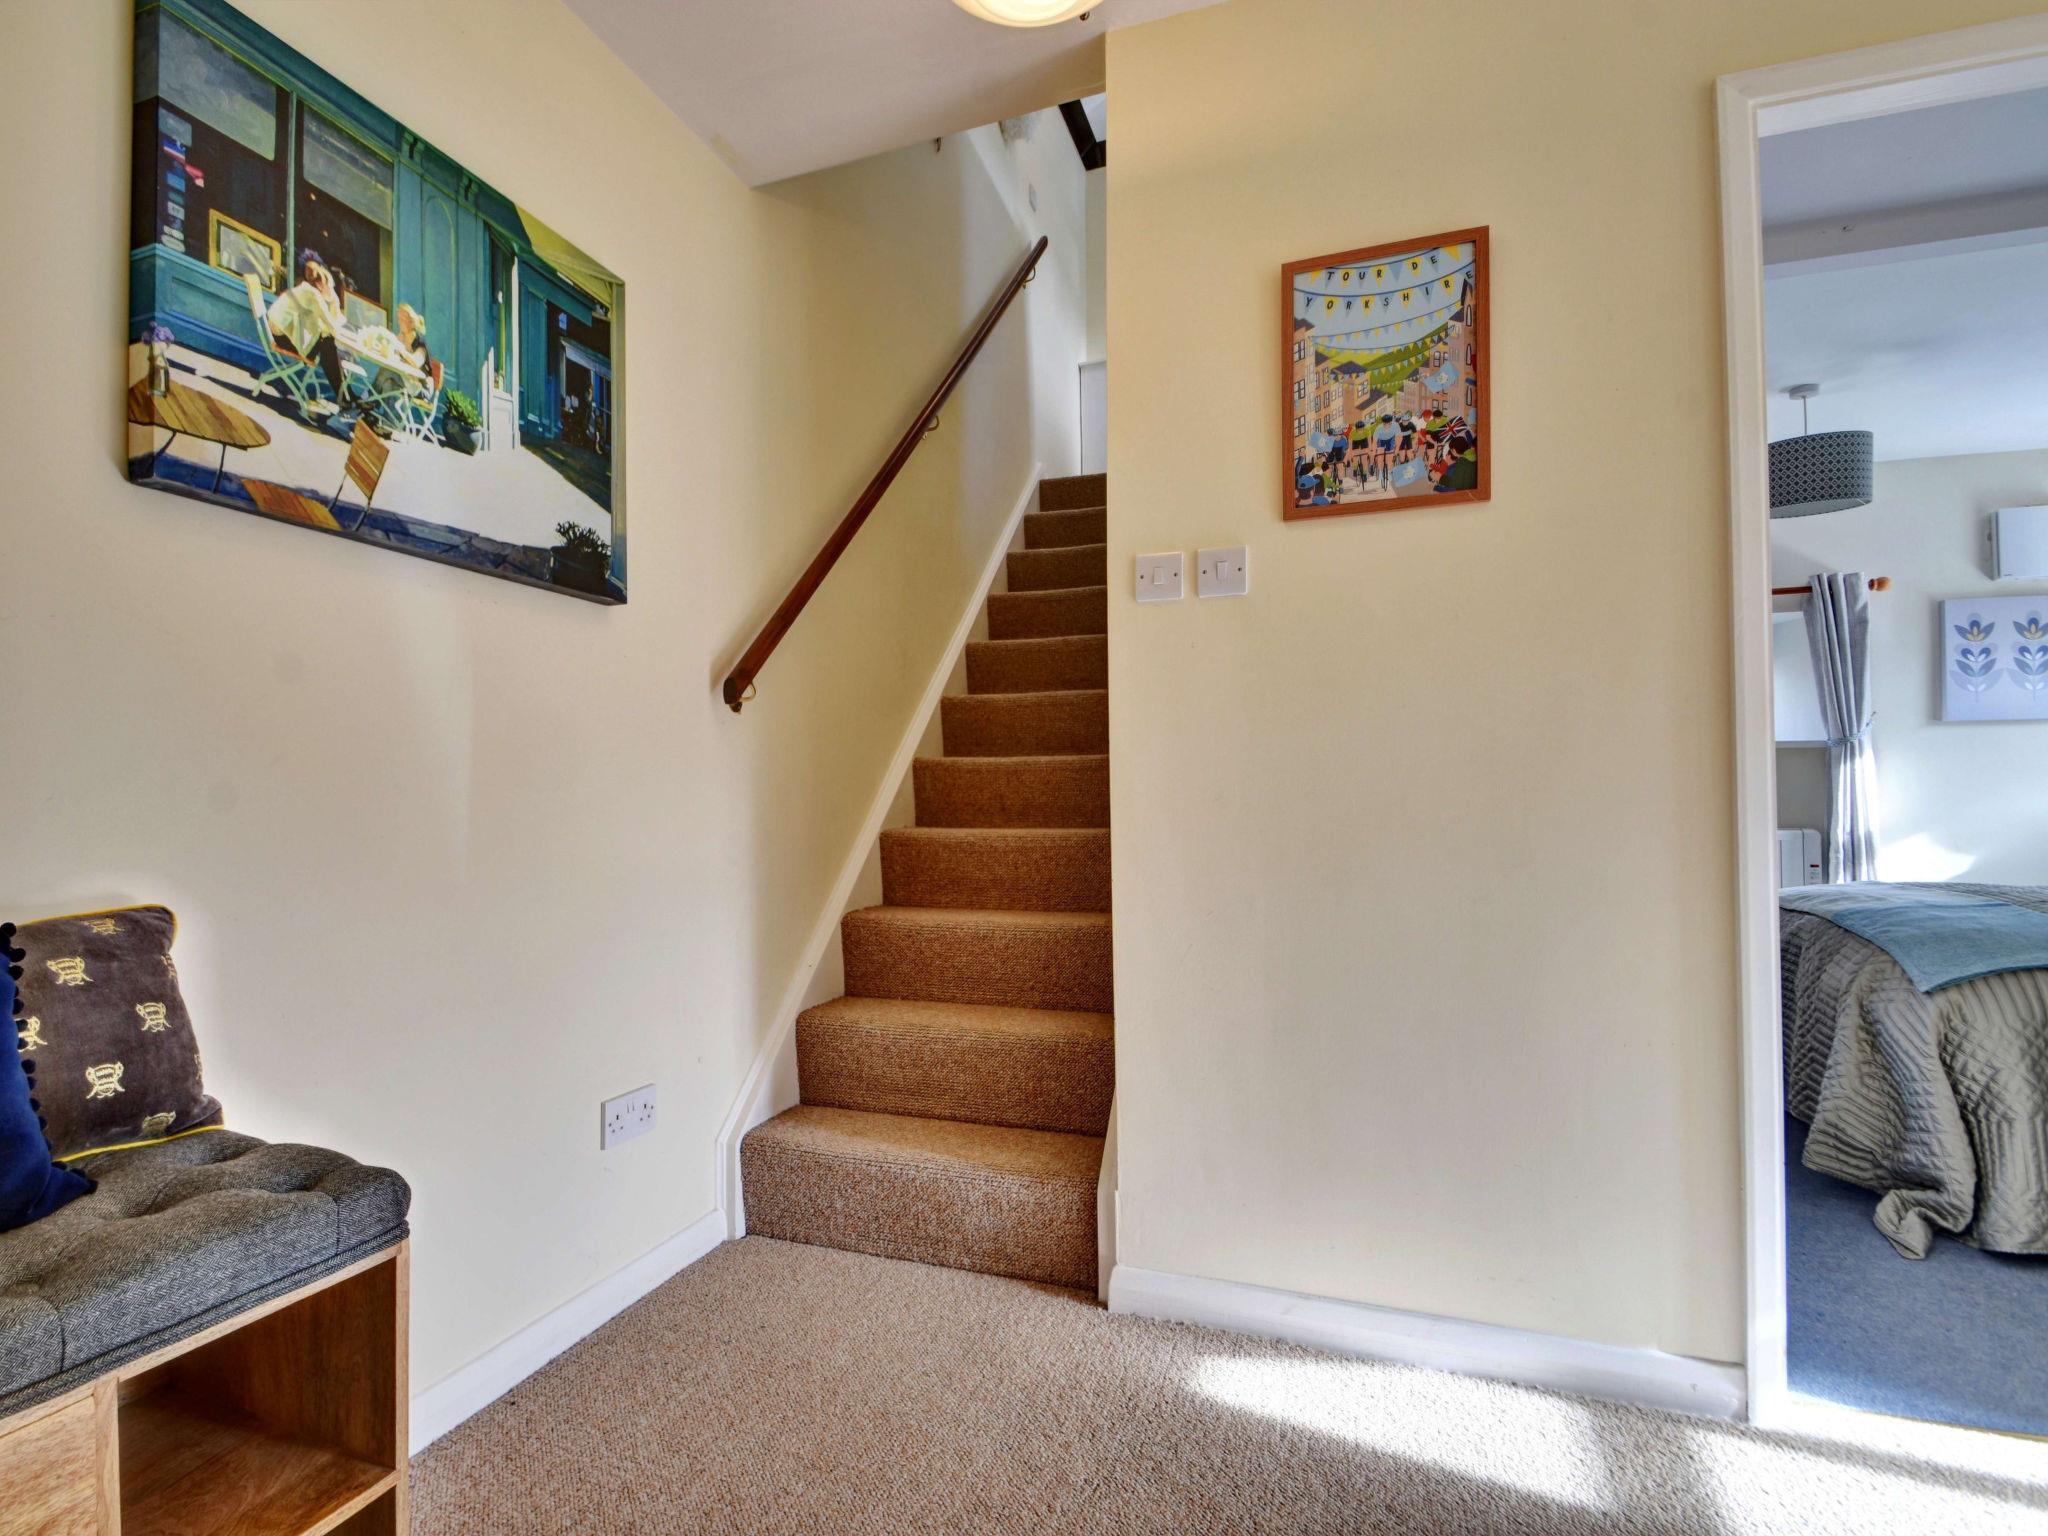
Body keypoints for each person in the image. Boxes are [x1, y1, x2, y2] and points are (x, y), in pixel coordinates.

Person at [267, 250, 350, 408]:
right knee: (328, 344)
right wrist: (330, 295)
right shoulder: (311, 293)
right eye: (316, 278)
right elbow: (332, 325)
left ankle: (345, 396)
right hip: (281, 336)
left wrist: (331, 295)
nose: (319, 282)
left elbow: (335, 318)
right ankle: (345, 397)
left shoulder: (309, 290)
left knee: (328, 345)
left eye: (321, 278)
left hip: (282, 332)